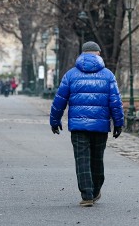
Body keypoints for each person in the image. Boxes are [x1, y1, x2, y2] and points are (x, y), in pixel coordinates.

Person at [50, 41, 124, 207]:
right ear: (98, 54)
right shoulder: (108, 75)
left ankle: (87, 195)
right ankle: (96, 189)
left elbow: (59, 100)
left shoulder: (70, 75)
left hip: (78, 126)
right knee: (97, 159)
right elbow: (116, 102)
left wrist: (55, 121)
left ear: (82, 54)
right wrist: (118, 124)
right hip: (100, 126)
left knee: (82, 159)